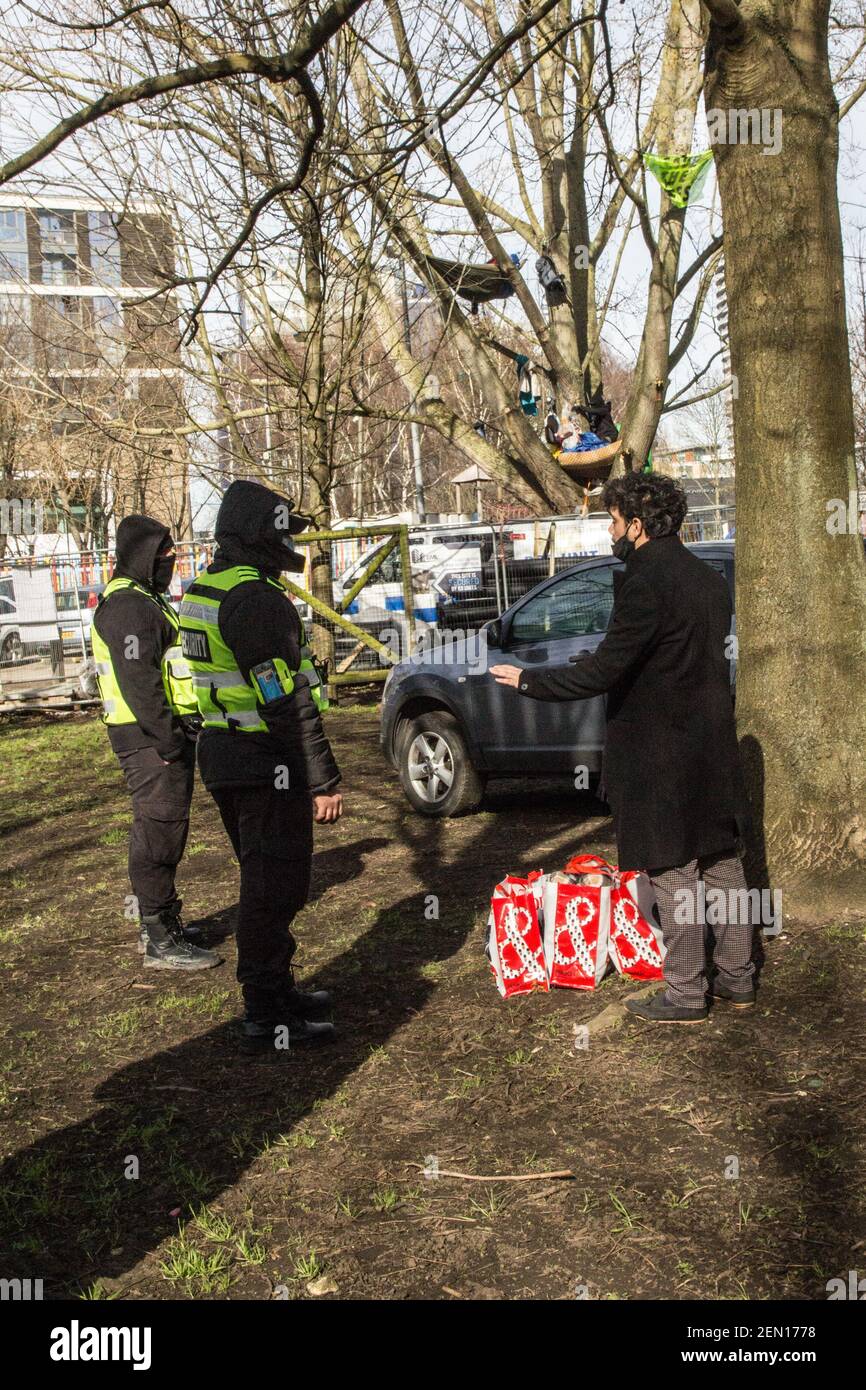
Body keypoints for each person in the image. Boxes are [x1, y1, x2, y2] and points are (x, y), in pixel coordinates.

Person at [490, 471, 755, 1023]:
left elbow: (609, 669)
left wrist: (529, 681)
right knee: (721, 855)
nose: (610, 530)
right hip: (713, 744)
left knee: (673, 864)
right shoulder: (710, 581)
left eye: (613, 519)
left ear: (636, 525)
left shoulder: (644, 581)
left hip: (661, 752)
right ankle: (738, 976)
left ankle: (685, 992)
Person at [179, 480, 343, 1051]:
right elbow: (282, 697)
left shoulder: (207, 587)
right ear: (260, 534)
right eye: (282, 531)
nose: (289, 544)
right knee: (272, 889)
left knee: (267, 882)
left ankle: (278, 992)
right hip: (263, 760)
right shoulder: (255, 600)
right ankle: (266, 1014)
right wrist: (320, 778)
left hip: (227, 755)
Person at [92, 515, 222, 970]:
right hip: (148, 739)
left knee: (167, 828)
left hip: (157, 736)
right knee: (158, 829)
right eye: (165, 554)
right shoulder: (129, 606)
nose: (172, 560)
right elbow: (139, 684)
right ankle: (158, 938)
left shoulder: (144, 598)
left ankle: (165, 922)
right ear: (143, 556)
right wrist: (169, 743)